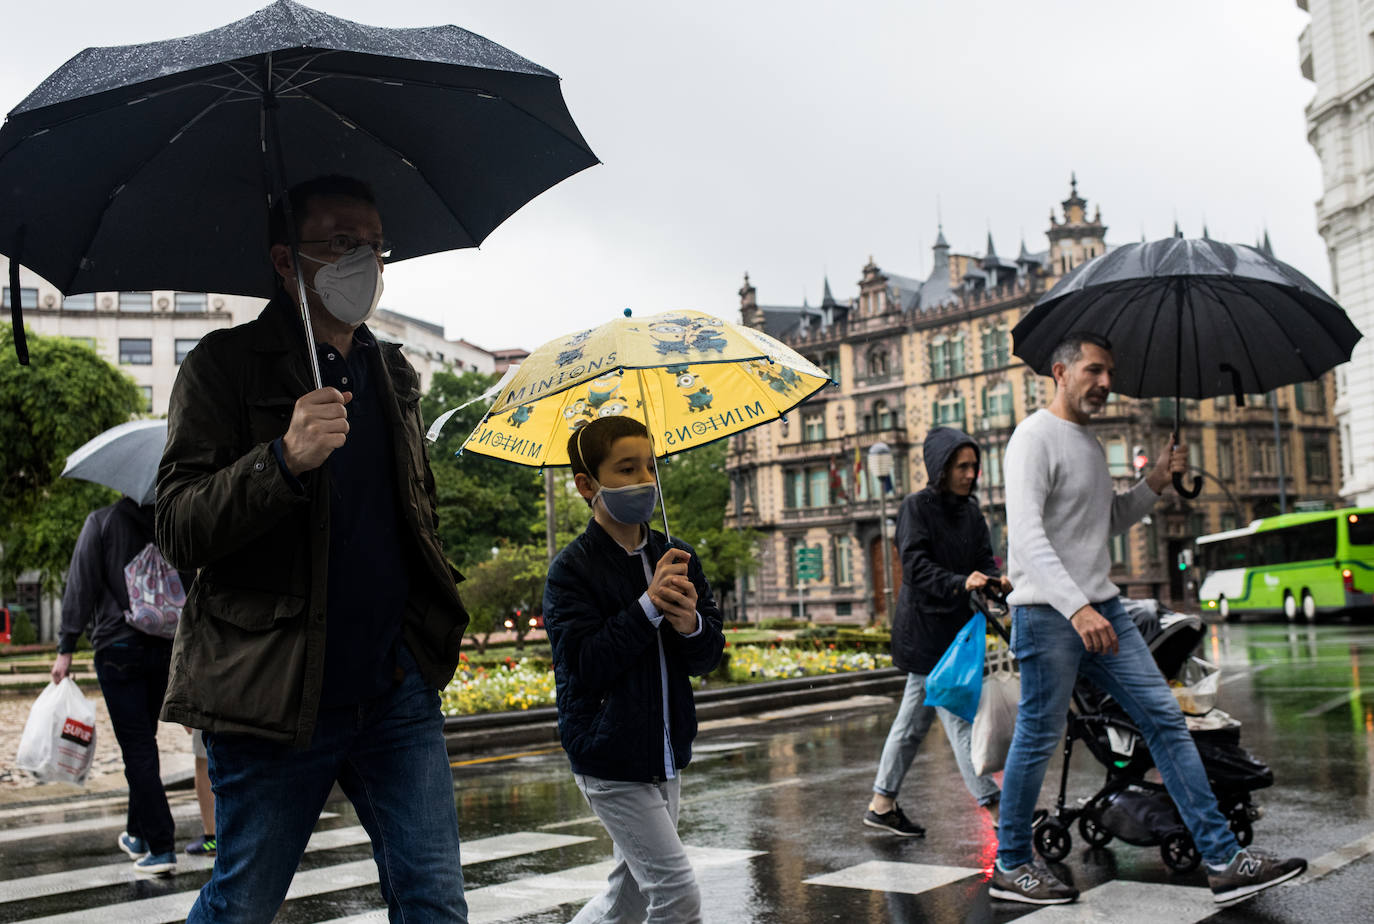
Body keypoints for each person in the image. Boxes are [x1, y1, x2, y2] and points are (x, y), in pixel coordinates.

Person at [156, 175, 470, 922]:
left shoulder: (391, 370)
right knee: (244, 902)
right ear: (285, 261)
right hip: (275, 694)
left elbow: (410, 515)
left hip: (394, 686)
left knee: (434, 899)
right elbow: (177, 526)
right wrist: (282, 459)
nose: (364, 259)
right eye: (340, 242)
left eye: (375, 244)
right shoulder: (223, 367)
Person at [990, 333, 1307, 906]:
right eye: (1093, 370)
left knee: (1164, 719)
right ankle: (1010, 864)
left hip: (1101, 610)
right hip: (1050, 612)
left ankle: (1222, 859)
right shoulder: (1031, 439)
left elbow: (1105, 519)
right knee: (1037, 739)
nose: (1105, 382)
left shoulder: (1088, 444)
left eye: (1109, 372)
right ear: (1059, 372)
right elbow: (1028, 538)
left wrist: (1155, 481)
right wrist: (1077, 606)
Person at [543, 416, 726, 923]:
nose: (644, 479)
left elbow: (708, 656)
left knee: (625, 900)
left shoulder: (678, 556)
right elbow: (586, 665)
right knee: (676, 894)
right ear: (587, 485)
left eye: (649, 465)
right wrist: (645, 607)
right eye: (626, 469)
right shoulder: (571, 570)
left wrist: (690, 623)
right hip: (609, 754)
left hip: (665, 751)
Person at [863, 426, 1007, 838]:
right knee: (959, 720)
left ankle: (882, 802)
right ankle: (997, 810)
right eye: (962, 466)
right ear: (940, 468)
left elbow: (984, 559)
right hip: (926, 634)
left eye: (974, 466)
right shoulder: (916, 508)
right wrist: (962, 583)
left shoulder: (972, 511)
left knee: (911, 724)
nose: (970, 473)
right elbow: (914, 567)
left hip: (956, 633)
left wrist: (996, 581)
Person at [51, 497, 183, 875]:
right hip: (163, 647)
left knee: (137, 747)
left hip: (117, 647)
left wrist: (65, 647)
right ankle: (136, 833)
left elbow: (80, 586)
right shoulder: (169, 523)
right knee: (144, 742)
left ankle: (162, 846)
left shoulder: (102, 523)